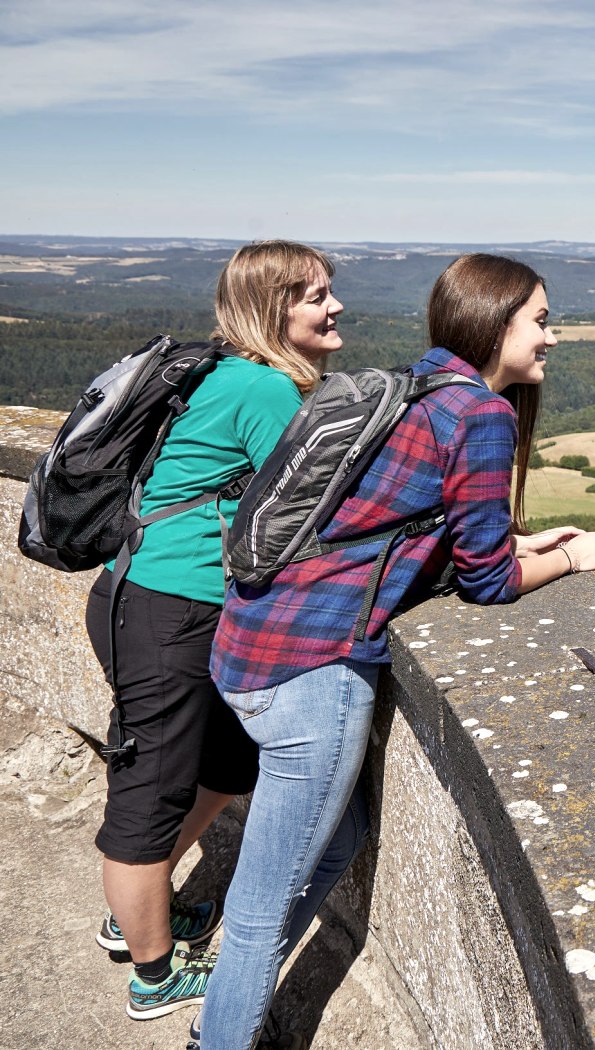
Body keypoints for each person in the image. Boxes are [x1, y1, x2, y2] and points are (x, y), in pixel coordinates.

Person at [199, 253, 595, 1048]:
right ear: (495, 323)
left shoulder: (417, 384)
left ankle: (226, 1015)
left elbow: (413, 528)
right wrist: (569, 558)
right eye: (540, 320)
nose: (551, 337)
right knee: (257, 912)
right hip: (311, 671)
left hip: (248, 645)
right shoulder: (480, 413)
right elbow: (488, 582)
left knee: (343, 834)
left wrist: (517, 540)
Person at [85, 240, 343, 1020]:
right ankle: (153, 975)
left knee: (227, 764)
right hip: (166, 611)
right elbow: (317, 511)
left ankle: (137, 910)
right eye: (315, 297)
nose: (335, 307)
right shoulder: (263, 389)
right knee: (149, 796)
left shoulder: (223, 372)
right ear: (273, 311)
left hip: (170, 603)